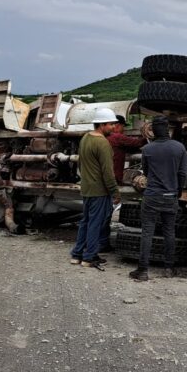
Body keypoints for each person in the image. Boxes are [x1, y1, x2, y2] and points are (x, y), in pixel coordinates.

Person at [129, 115, 187, 281]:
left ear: (153, 131)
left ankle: (142, 271)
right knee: (169, 231)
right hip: (171, 196)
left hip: (152, 196)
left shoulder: (148, 150)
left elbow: (146, 173)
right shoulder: (179, 148)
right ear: (167, 129)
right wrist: (178, 190)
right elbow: (183, 173)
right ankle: (169, 268)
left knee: (147, 232)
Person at [69, 107, 122, 270]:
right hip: (99, 190)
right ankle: (89, 256)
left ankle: (77, 254)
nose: (114, 127)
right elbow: (108, 172)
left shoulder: (85, 138)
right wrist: (115, 191)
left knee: (85, 221)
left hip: (87, 188)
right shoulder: (103, 143)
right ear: (102, 125)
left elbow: (81, 163)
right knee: (95, 224)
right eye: (111, 124)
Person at [99, 115, 146, 252]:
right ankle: (101, 244)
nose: (124, 130)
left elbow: (128, 148)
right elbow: (137, 143)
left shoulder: (100, 138)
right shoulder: (116, 137)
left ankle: (93, 243)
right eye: (124, 127)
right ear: (117, 125)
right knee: (105, 214)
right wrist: (149, 133)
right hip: (110, 181)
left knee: (97, 214)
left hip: (97, 179)